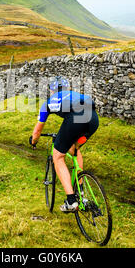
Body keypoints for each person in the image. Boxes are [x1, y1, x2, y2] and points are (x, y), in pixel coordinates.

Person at [29, 76, 99, 213]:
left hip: (76, 119)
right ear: (67, 88)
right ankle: (81, 192)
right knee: (75, 149)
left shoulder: (48, 102)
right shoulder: (74, 95)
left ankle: (71, 201)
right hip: (93, 119)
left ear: (52, 90)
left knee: (58, 156)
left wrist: (33, 141)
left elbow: (37, 131)